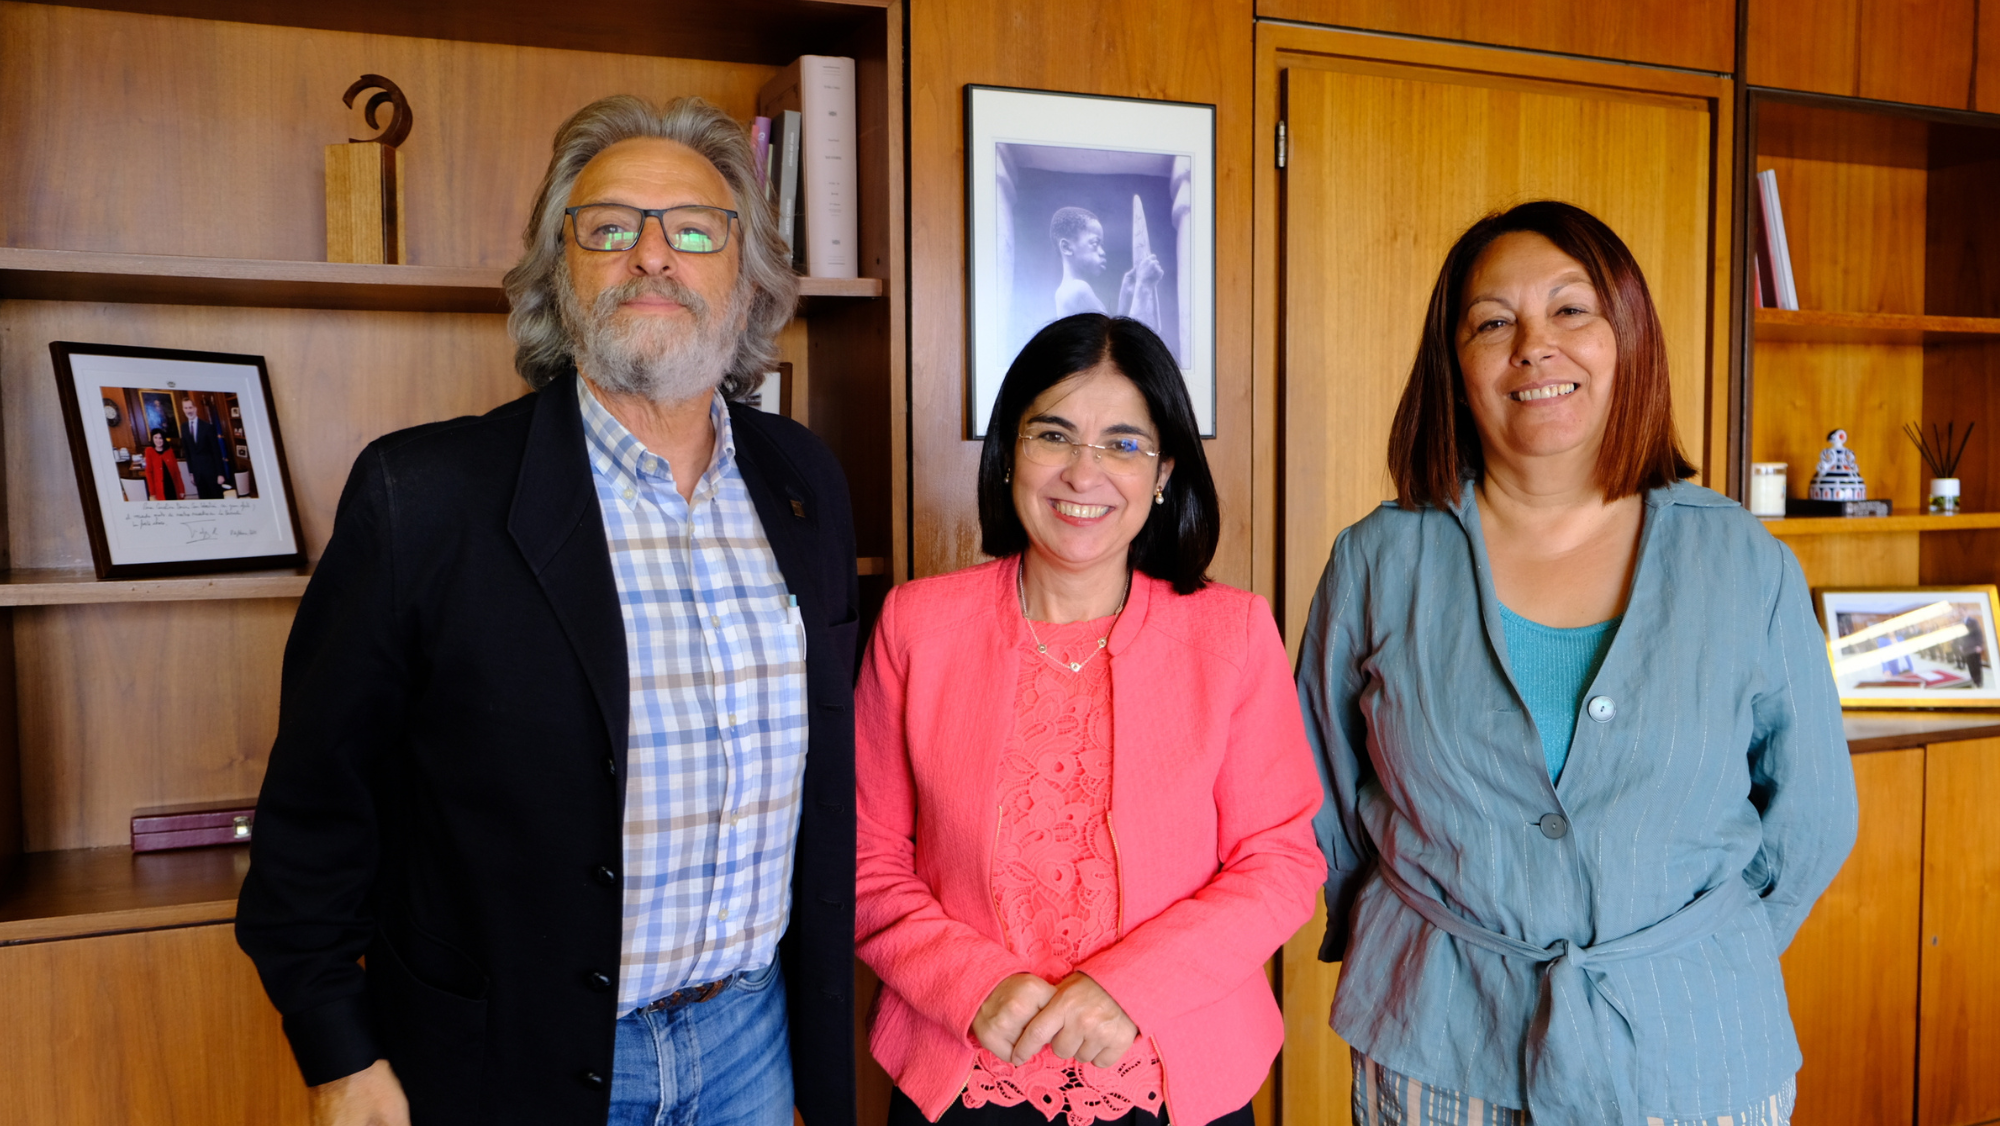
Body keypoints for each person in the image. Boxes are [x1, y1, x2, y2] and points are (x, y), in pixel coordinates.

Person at [237, 95, 858, 1126]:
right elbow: (313, 814)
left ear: (745, 278)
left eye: (693, 229)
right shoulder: (422, 497)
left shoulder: (804, 482)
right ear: (556, 273)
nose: (652, 256)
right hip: (508, 1061)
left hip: (751, 1048)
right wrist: (338, 1056)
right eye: (609, 227)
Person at [1296, 200, 1859, 1126]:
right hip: (1439, 1042)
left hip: (1696, 1046)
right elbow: (1318, 792)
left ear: (1626, 337)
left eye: (1571, 310)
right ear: (1456, 366)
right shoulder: (1379, 561)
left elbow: (1812, 812)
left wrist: (1704, 948)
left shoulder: (1741, 561)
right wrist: (1406, 937)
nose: (1533, 347)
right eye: (1491, 323)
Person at [856, 313, 1324, 1126]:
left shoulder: (1233, 633)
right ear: (1009, 456)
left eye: (1123, 443)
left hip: (1175, 1073)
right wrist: (972, 985)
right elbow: (862, 856)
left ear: (1164, 471)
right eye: (1054, 436)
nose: (1084, 472)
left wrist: (1131, 989)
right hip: (962, 1070)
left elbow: (1280, 861)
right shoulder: (915, 626)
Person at [1049, 207, 1163, 329]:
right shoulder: (1077, 289)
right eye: (1094, 243)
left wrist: (1125, 297)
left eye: (1101, 245)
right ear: (1066, 247)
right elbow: (1123, 345)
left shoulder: (1065, 291)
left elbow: (1108, 338)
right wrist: (1143, 286)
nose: (1102, 252)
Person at [181, 395, 236, 498]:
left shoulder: (207, 427)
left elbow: (216, 451)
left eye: (190, 407)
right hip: (197, 474)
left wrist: (220, 474)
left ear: (195, 408)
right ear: (183, 409)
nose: (188, 411)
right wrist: (191, 473)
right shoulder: (183, 427)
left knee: (217, 500)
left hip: (212, 473)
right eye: (186, 408)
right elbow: (188, 452)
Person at [140, 427, 182, 500]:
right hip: (160, 488)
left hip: (172, 486)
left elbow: (177, 472)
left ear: (164, 439)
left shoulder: (170, 451)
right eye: (155, 437)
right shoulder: (149, 451)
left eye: (160, 438)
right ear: (152, 439)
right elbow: (149, 473)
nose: (158, 440)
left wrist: (181, 489)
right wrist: (152, 492)